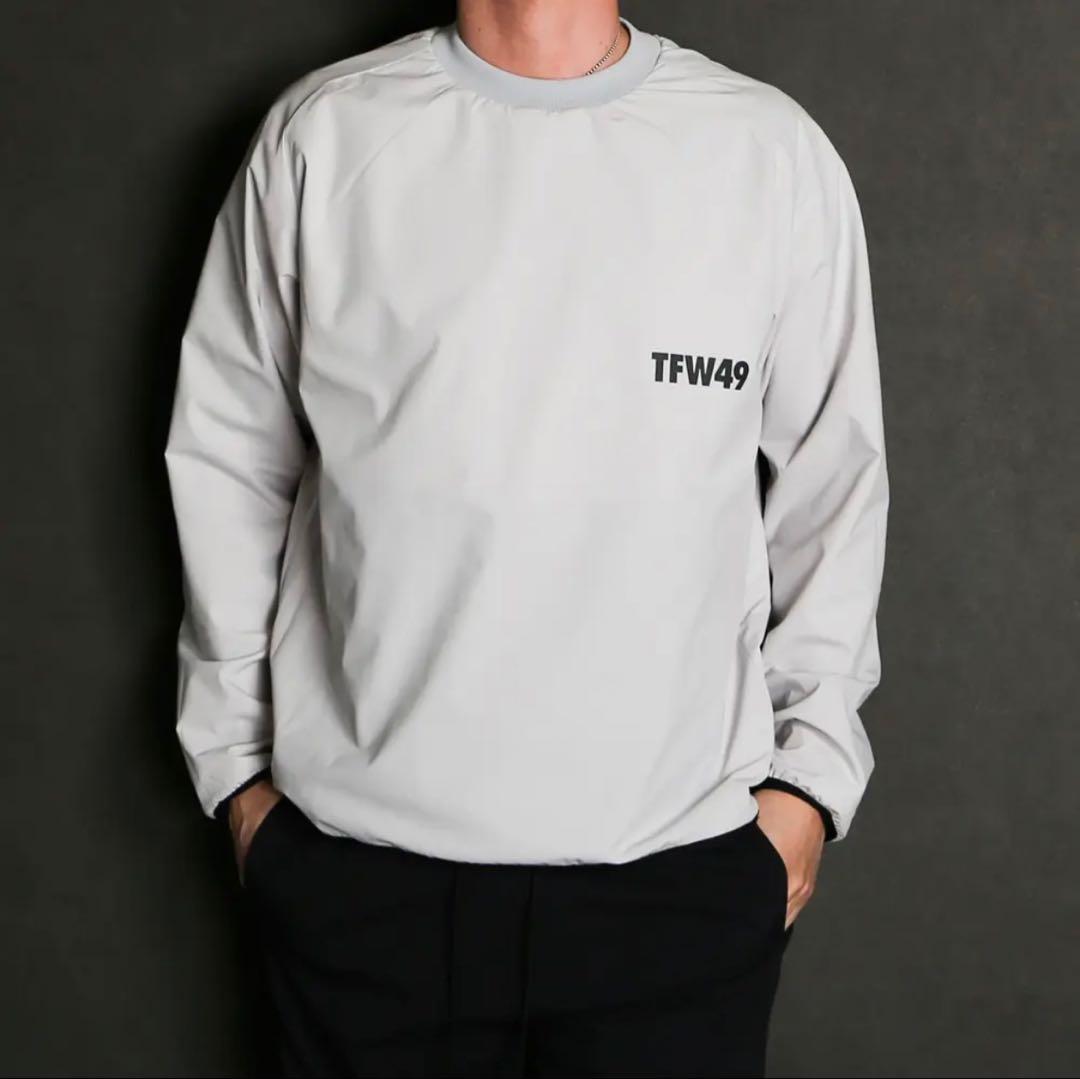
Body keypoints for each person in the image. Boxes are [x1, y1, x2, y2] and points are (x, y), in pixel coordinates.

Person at [163, 2, 889, 1075]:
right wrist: (237, 779)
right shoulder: (327, 133)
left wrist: (807, 790)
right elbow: (230, 458)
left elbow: (835, 488)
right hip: (363, 890)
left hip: (677, 890)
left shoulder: (766, 152)